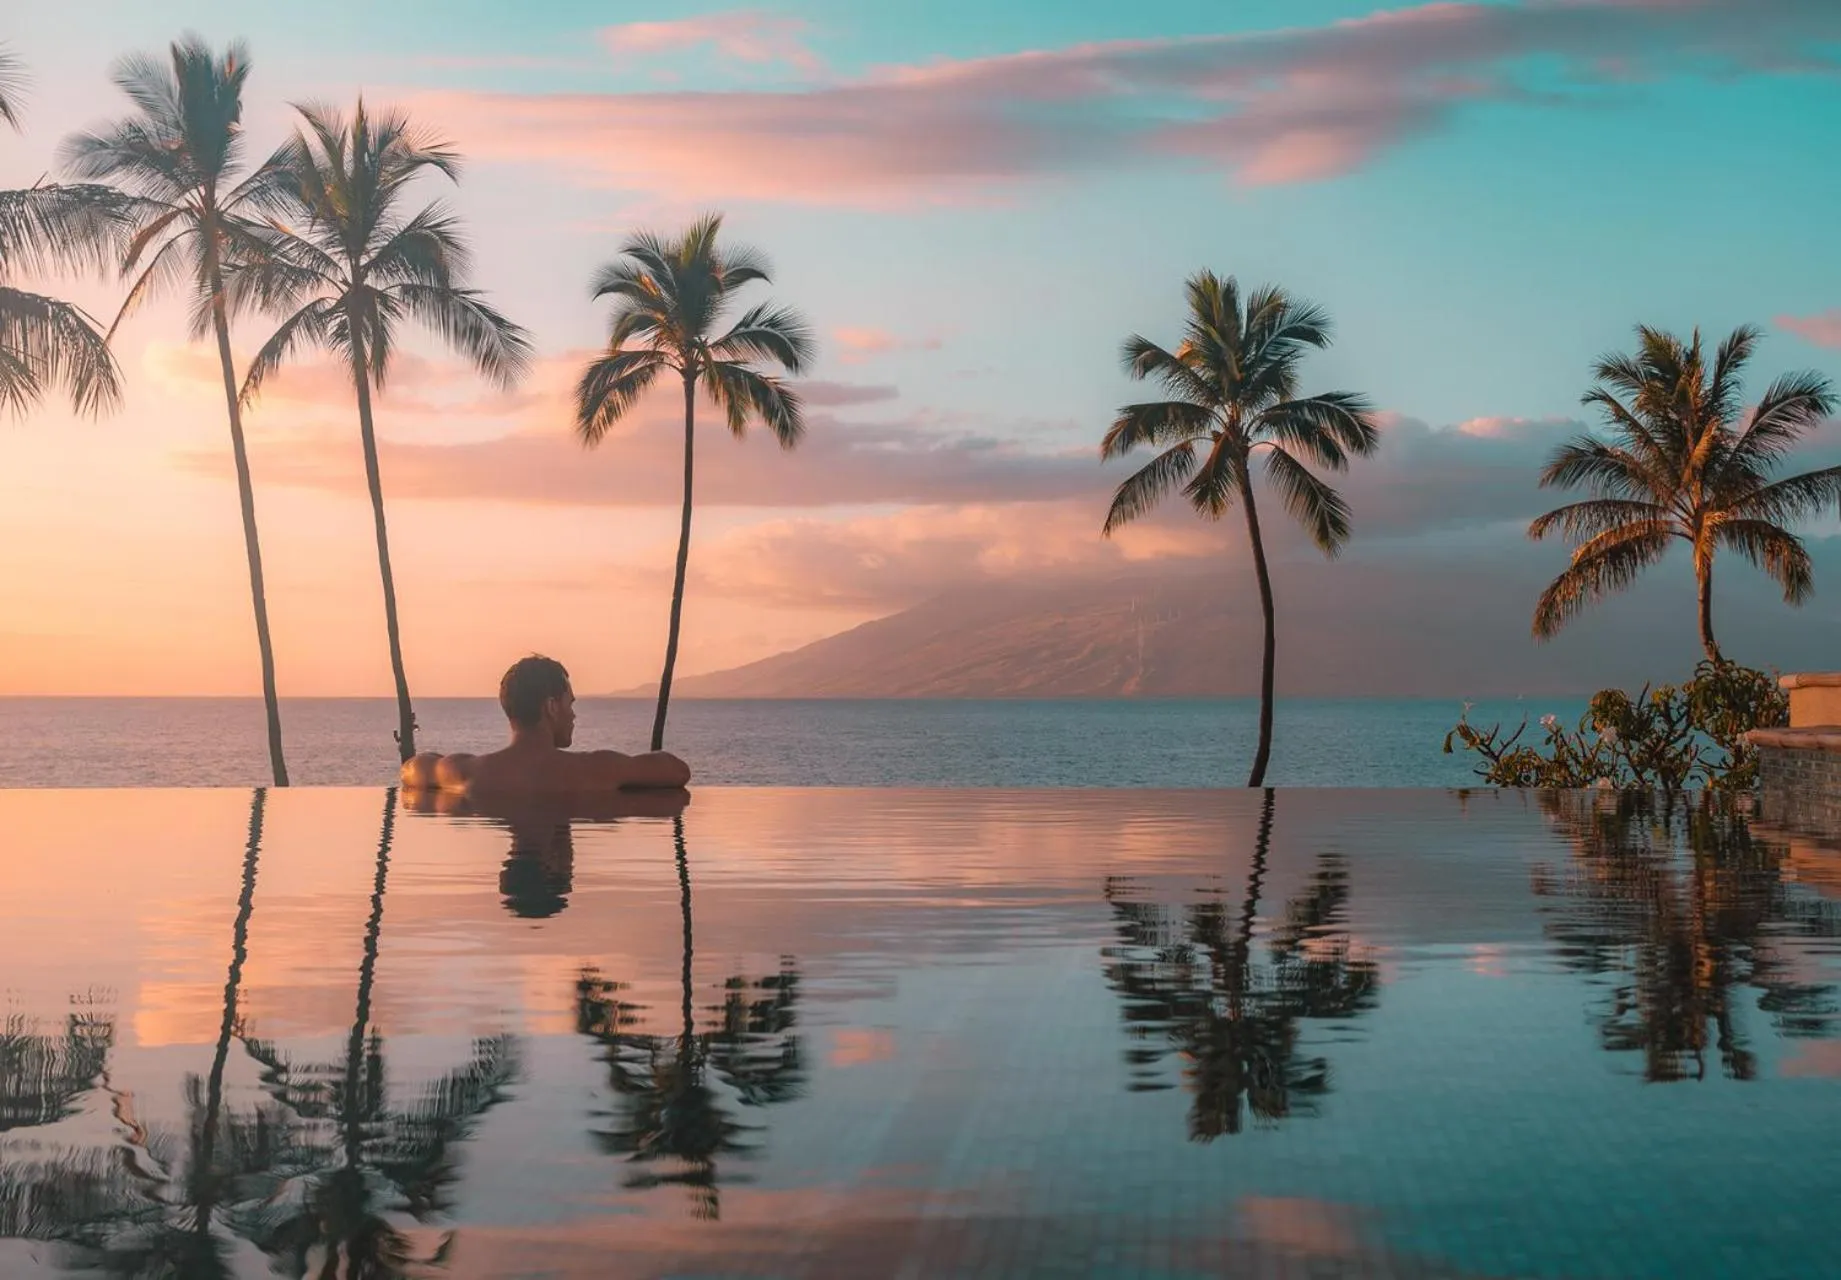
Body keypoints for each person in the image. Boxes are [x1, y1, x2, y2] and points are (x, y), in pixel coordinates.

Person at [400, 654, 691, 797]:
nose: (574, 715)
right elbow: (676, 770)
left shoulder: (466, 772)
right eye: (570, 704)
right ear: (551, 707)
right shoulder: (597, 770)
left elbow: (413, 768)